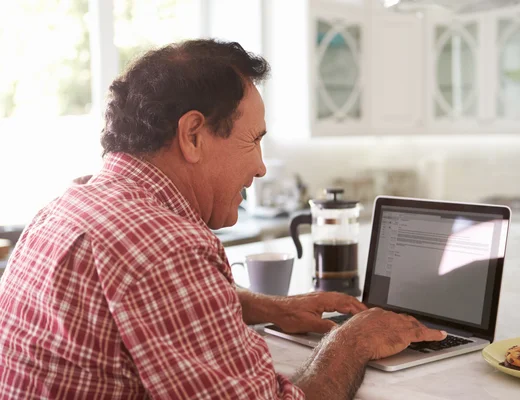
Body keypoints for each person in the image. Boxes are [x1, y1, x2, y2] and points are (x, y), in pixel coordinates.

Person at [0, 39, 446, 399]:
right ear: (193, 135)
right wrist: (353, 341)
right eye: (253, 141)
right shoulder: (166, 245)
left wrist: (265, 306)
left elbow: (139, 301)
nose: (260, 167)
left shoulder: (71, 203)